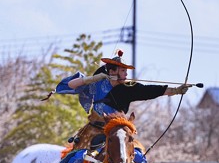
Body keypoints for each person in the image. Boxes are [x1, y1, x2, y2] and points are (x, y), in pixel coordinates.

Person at [53, 50, 189, 151]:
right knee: (74, 157)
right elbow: (70, 85)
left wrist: (177, 90)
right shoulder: (98, 83)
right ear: (112, 72)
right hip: (93, 131)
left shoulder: (128, 88)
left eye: (125, 71)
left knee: (139, 157)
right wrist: (93, 78)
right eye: (123, 71)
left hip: (118, 134)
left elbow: (152, 90)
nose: (126, 74)